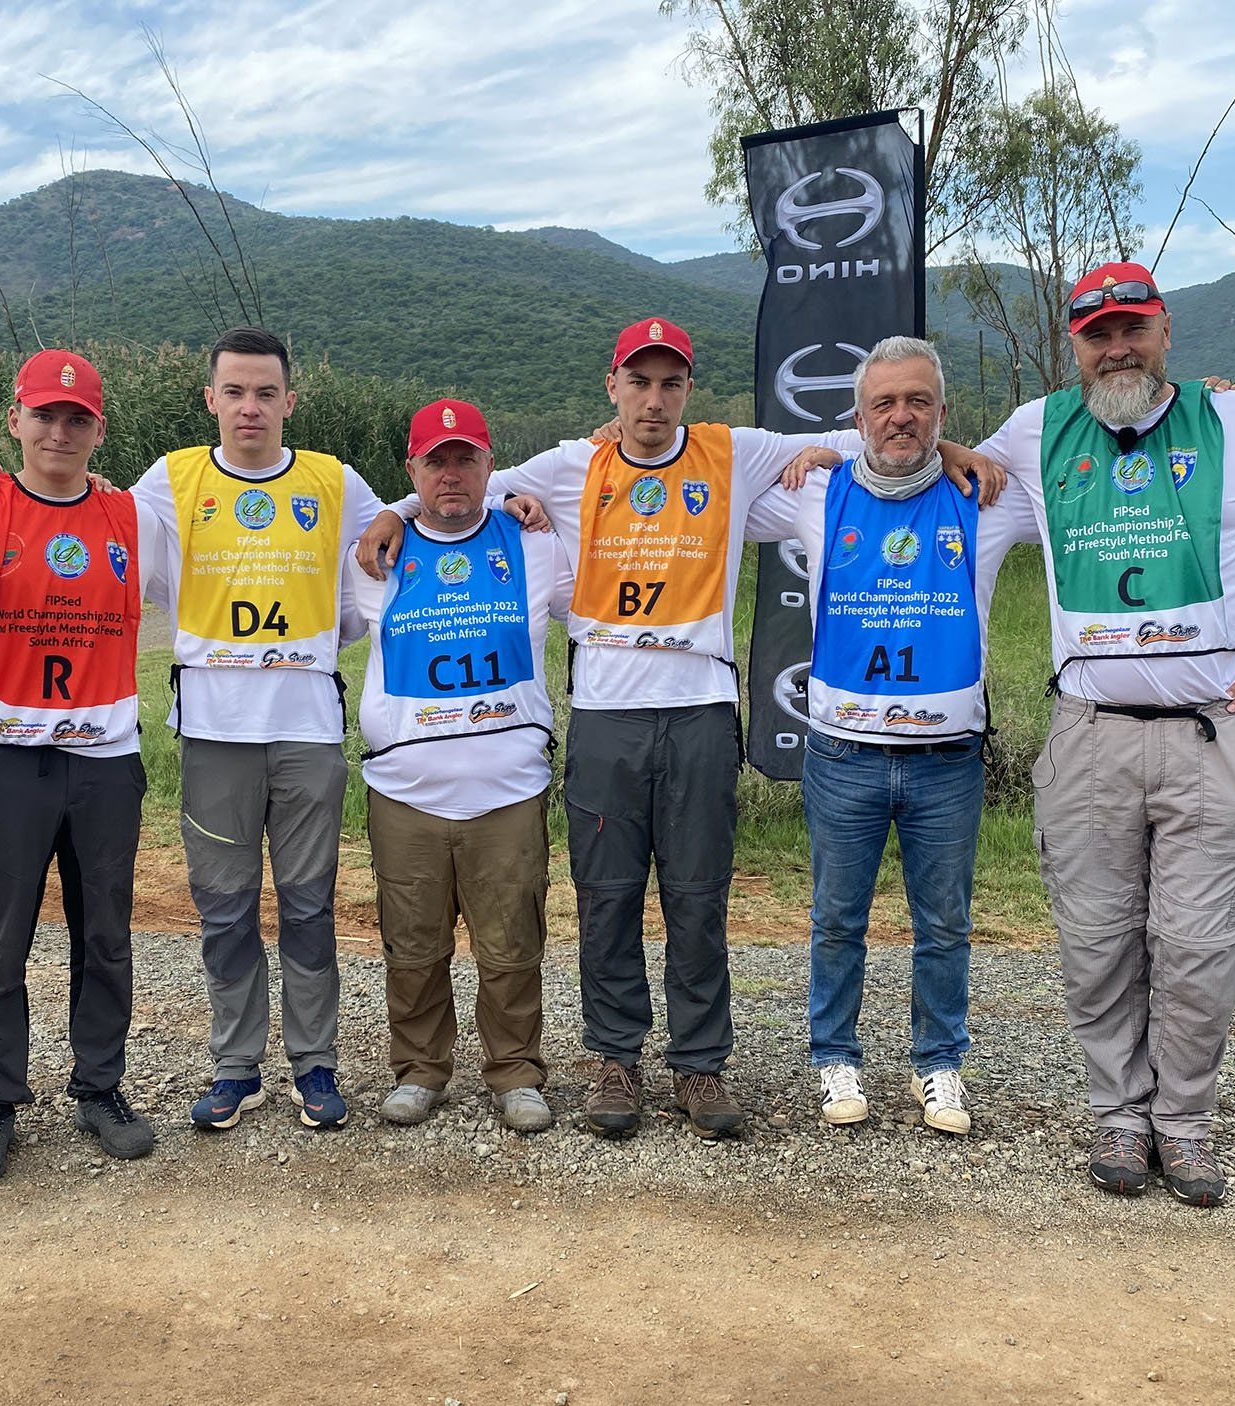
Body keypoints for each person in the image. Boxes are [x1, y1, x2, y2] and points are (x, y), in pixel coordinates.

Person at [359, 318, 993, 1140]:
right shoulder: (568, 465)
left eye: (670, 384)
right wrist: (393, 512)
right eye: (639, 382)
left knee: (698, 898)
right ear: (612, 388)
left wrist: (954, 452)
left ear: (687, 389)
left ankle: (700, 1065)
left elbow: (876, 432)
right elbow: (461, 483)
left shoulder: (734, 451)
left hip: (698, 710)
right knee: (607, 898)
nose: (653, 400)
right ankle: (615, 1061)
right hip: (605, 715)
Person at [973, 263, 1235, 1206]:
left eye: (1133, 329)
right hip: (1090, 735)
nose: (1117, 348)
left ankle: (1183, 1127)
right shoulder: (1035, 430)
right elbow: (949, 466)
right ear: (1073, 344)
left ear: (1163, 332)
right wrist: (840, 452)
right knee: (1098, 939)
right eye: (1097, 334)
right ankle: (1119, 1116)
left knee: (1197, 945)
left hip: (1212, 733)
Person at [0, 350, 176, 1187]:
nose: (60, 431)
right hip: (7, 762)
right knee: (0, 942)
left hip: (105, 762)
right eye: (45, 415)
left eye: (78, 419)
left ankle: (99, 1086)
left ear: (100, 429)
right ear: (15, 420)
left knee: (105, 934)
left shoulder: (136, 517)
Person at [137, 328, 383, 1131]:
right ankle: (235, 1066)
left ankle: (315, 1063)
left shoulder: (334, 481)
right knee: (224, 907)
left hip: (307, 727)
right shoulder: (169, 479)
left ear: (289, 401)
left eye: (265, 392)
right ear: (210, 398)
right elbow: (86, 522)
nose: (250, 407)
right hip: (213, 730)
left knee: (309, 905)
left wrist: (519, 494)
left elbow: (400, 534)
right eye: (234, 392)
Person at [753, 337, 997, 1135]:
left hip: (947, 760)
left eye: (918, 403)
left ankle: (940, 1065)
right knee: (836, 917)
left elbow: (1083, 447)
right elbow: (705, 471)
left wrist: (1214, 397)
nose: (902, 417)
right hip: (843, 753)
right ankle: (836, 1056)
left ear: (942, 414)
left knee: (946, 922)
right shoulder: (813, 492)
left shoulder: (986, 493)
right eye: (884, 404)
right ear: (857, 417)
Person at [341, 398, 573, 1133]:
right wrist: (394, 514)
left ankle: (515, 1072)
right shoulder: (376, 552)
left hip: (507, 790)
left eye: (465, 459)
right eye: (434, 461)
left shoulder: (533, 540)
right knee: (412, 944)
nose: (451, 474)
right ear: (411, 471)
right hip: (405, 791)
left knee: (511, 942)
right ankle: (420, 1070)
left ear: (488, 464)